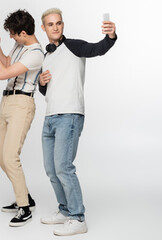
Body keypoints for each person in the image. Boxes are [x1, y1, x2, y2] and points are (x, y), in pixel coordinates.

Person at [37, 8, 117, 236]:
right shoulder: (46, 56)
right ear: (43, 28)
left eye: (58, 23)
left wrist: (110, 36)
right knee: (51, 170)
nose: (55, 27)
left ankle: (78, 217)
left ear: (62, 25)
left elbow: (98, 49)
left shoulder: (74, 46)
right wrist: (41, 82)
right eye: (50, 24)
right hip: (50, 117)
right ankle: (64, 210)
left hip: (69, 115)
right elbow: (47, 90)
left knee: (64, 167)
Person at [0, 9, 43, 227]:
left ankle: (24, 207)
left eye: (12, 33)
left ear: (23, 33)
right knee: (0, 157)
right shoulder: (20, 44)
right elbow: (7, 64)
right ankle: (25, 196)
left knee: (10, 157)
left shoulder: (36, 53)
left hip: (22, 103)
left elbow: (1, 74)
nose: (10, 36)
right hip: (6, 101)